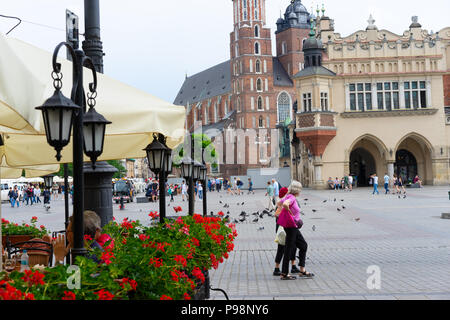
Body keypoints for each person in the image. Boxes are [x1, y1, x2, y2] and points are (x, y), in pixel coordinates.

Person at [278, 181, 314, 280]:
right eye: (300, 189)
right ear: (297, 190)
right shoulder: (292, 198)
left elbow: (279, 203)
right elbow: (284, 204)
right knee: (289, 249)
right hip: (291, 227)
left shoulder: (288, 196)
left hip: (292, 227)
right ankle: (284, 273)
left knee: (303, 245)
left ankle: (302, 270)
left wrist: (286, 212)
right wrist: (289, 212)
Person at [273, 187, 299, 276]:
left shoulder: (287, 200)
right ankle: (277, 268)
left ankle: (293, 265)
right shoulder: (284, 202)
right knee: (282, 247)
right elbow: (276, 215)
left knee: (292, 246)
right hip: (283, 227)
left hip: (284, 226)